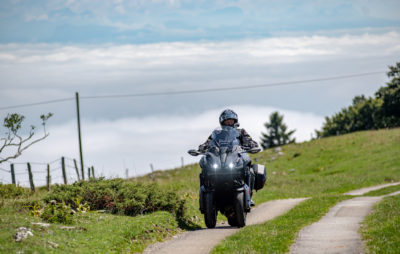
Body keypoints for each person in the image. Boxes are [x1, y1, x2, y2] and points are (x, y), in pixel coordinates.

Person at [198, 109, 259, 206]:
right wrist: (202, 148)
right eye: (227, 120)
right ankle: (205, 197)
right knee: (204, 166)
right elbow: (208, 143)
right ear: (222, 122)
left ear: (235, 121)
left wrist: (251, 145)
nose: (229, 122)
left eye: (231, 120)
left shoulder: (240, 132)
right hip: (219, 158)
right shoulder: (217, 133)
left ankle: (249, 196)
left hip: (235, 156)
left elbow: (249, 140)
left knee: (250, 170)